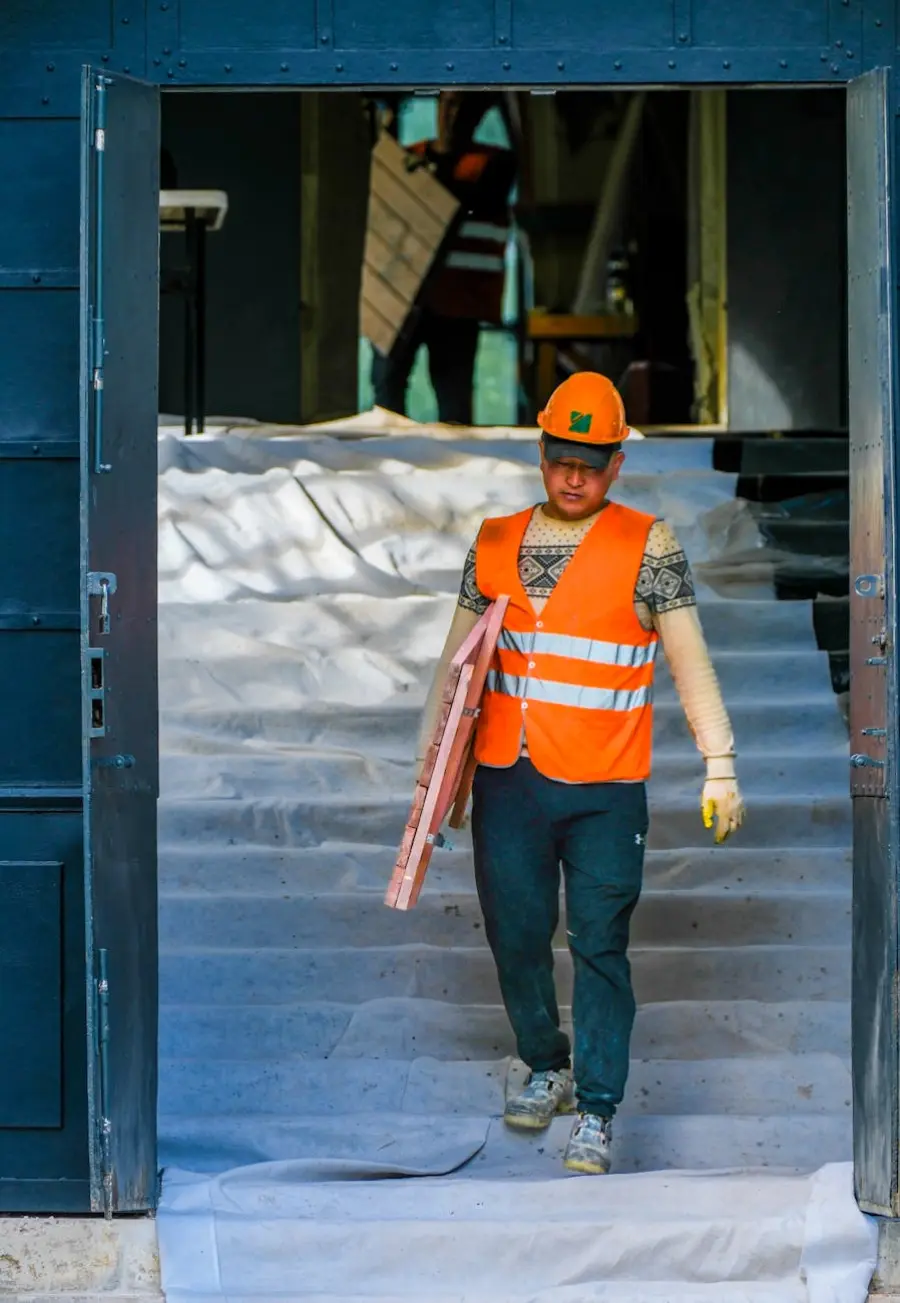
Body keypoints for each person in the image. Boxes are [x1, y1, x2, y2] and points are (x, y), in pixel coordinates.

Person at [416, 371, 745, 1175]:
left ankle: (596, 1107)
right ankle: (545, 1061)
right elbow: (454, 670)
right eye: (561, 460)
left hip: (606, 787)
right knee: (515, 931)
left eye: (590, 466)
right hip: (509, 779)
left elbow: (689, 660)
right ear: (541, 451)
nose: (573, 478)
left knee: (600, 942)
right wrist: (434, 775)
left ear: (617, 464)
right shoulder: (494, 542)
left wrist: (720, 763)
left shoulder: (650, 546)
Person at [372, 91, 516, 424]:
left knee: (454, 404)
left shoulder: (495, 164)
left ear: (479, 115)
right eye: (448, 104)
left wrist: (425, 168)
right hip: (404, 300)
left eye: (465, 107)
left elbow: (458, 198)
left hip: (459, 303)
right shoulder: (409, 159)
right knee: (385, 396)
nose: (453, 115)